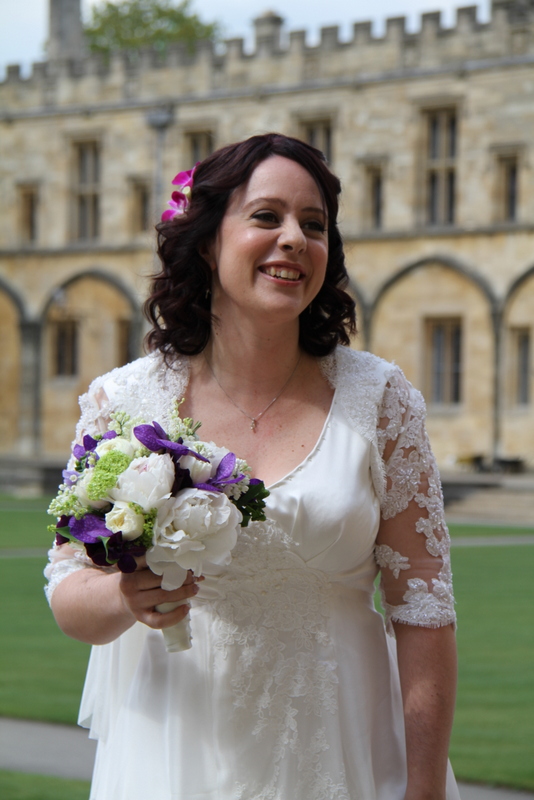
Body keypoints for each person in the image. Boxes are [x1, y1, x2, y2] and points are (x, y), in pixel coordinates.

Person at [45, 132, 459, 800]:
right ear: (208, 240)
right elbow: (68, 592)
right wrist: (124, 595)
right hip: (174, 750)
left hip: (341, 745)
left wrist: (424, 788)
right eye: (267, 217)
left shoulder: (380, 402)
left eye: (315, 224)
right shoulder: (122, 404)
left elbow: (425, 607)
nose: (295, 238)